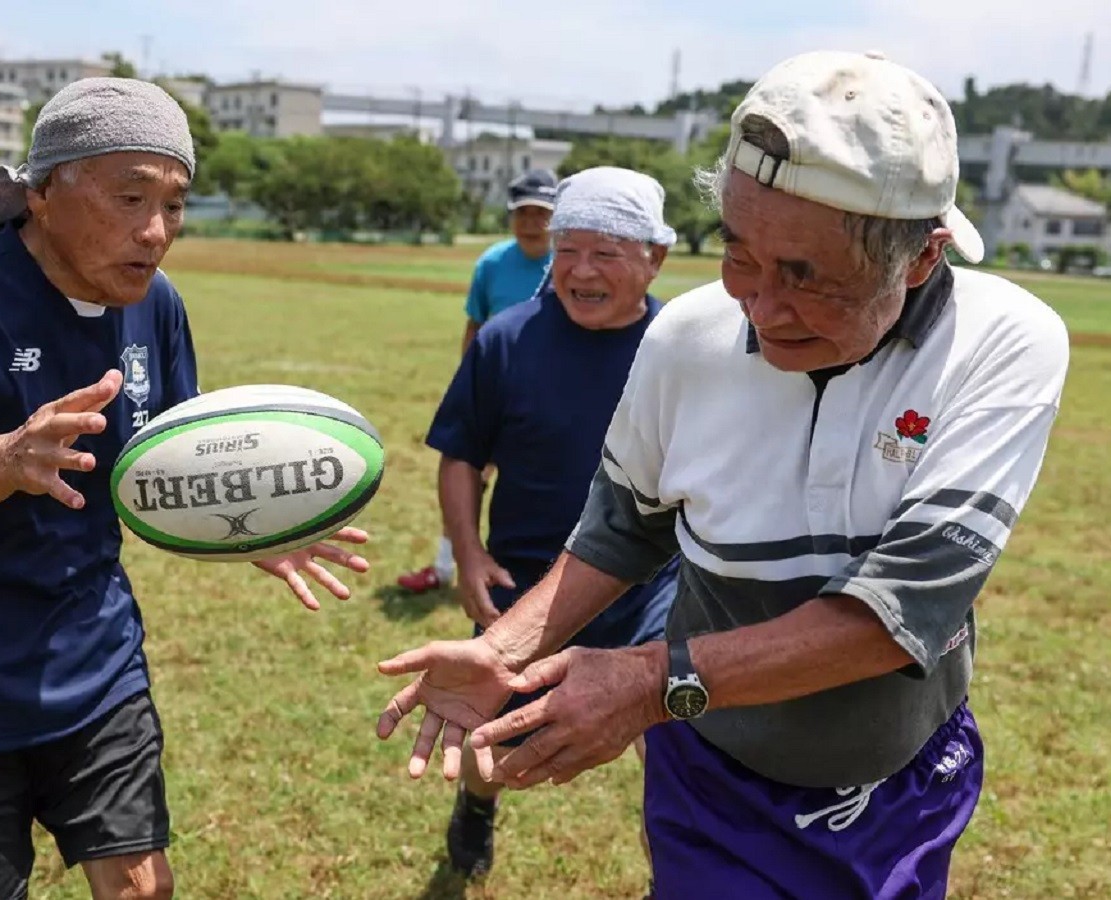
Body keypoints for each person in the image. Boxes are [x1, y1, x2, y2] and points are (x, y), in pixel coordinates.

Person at [377, 50, 1070, 900]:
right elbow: (624, 526)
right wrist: (502, 649)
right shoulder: (687, 335)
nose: (760, 308)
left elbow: (899, 612)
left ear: (921, 259)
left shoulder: (1002, 342)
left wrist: (647, 683)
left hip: (898, 787)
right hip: (710, 770)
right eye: (739, 255)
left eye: (807, 277)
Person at [0, 77, 370, 900]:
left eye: (173, 205)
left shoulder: (155, 306)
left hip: (95, 662)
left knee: (143, 888)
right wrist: (4, 459)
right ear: (44, 193)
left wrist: (252, 516)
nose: (155, 232)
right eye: (129, 198)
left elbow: (177, 460)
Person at [425, 167, 680, 878]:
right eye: (568, 250)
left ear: (655, 258)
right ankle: (477, 807)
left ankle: (679, 868)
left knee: (674, 748)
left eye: (605, 253)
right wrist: (468, 554)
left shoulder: (683, 349)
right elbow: (461, 456)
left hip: (654, 586)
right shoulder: (506, 341)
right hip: (527, 582)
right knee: (493, 732)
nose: (581, 271)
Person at [396, 168, 557, 594]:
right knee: (467, 477)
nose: (531, 223)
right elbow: (476, 324)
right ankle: (445, 566)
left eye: (540, 214)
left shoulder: (569, 263)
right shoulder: (492, 263)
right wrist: (472, 384)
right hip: (498, 392)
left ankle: (543, 577)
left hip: (550, 395)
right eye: (522, 213)